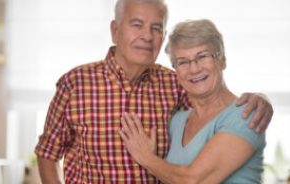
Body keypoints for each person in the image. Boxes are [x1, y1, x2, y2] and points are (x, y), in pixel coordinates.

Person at [34, 0, 273, 183]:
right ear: (115, 31)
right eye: (137, 25)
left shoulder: (175, 83)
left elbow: (215, 103)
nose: (147, 36)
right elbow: (48, 153)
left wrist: (261, 99)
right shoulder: (75, 84)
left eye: (156, 28)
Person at [119, 19, 267, 183]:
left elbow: (193, 181)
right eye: (182, 62)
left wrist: (146, 158)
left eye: (202, 56)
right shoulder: (177, 121)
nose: (194, 68)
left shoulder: (246, 114)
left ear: (222, 60)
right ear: (175, 71)